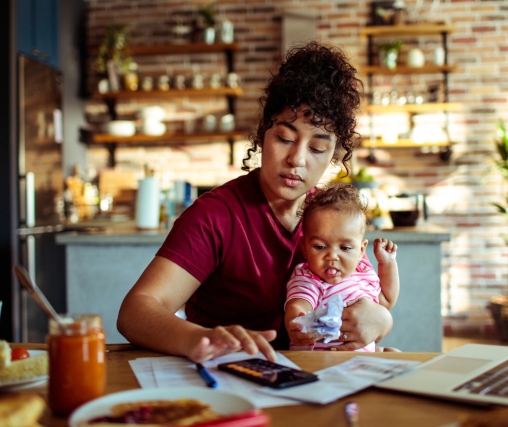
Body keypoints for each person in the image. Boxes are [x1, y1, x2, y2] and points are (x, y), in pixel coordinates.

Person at [117, 41, 394, 363]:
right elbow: (136, 311)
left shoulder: (332, 216)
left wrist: (381, 321)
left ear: (335, 154)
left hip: (317, 375)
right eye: (285, 139)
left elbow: (363, 296)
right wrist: (199, 338)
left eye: (317, 148)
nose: (297, 159)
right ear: (263, 133)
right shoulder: (216, 215)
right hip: (231, 372)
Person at [284, 183, 399, 352]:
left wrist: (387, 264)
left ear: (361, 250)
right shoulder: (309, 277)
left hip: (360, 360)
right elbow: (299, 303)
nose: (332, 256)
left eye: (345, 248)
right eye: (320, 247)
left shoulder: (363, 273)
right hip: (322, 362)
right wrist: (296, 320)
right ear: (304, 247)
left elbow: (386, 301)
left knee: (394, 355)